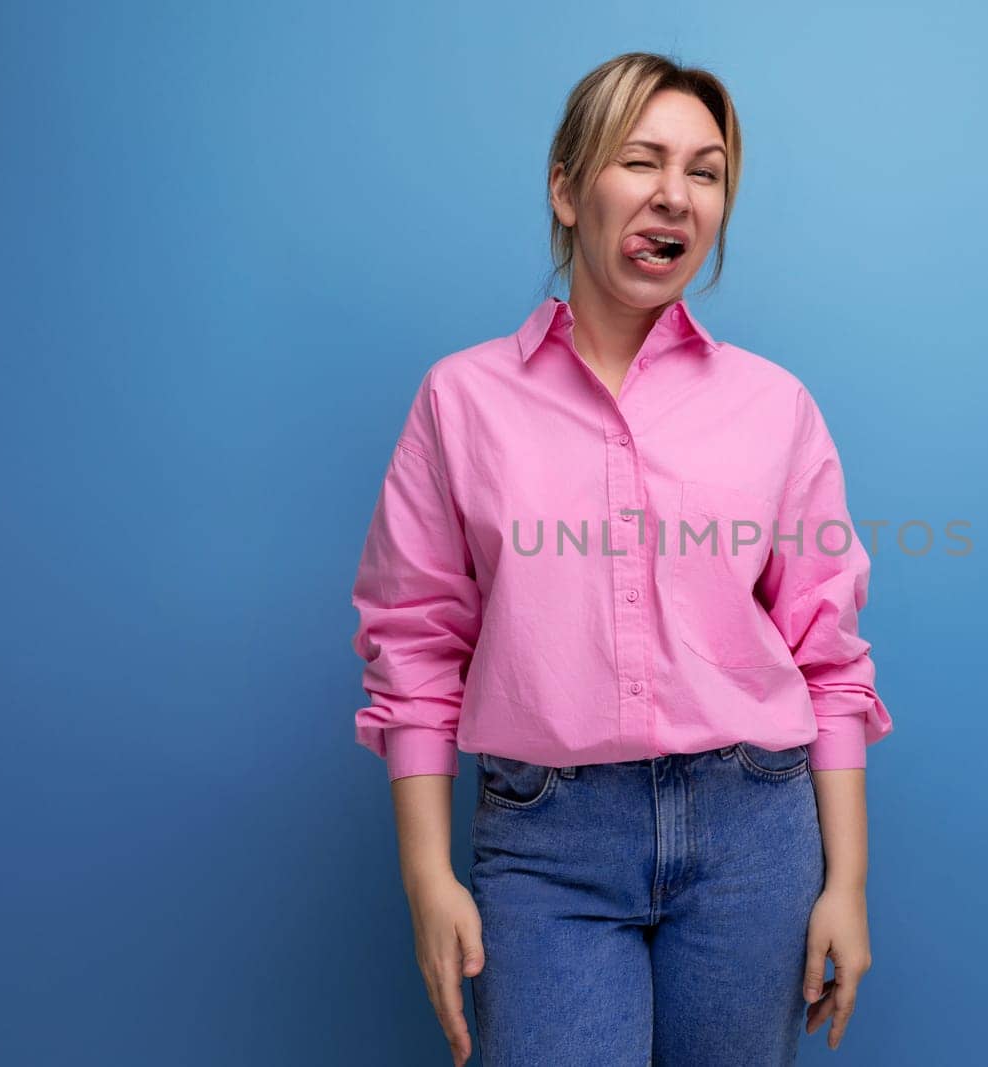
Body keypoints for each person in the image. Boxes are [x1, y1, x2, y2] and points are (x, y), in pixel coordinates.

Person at [349, 52, 893, 1066]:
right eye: (640, 160)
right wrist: (429, 878)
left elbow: (829, 655)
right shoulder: (461, 401)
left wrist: (845, 882)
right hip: (546, 843)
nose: (674, 196)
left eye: (707, 169)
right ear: (566, 186)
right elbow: (414, 645)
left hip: (753, 833)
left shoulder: (774, 407)